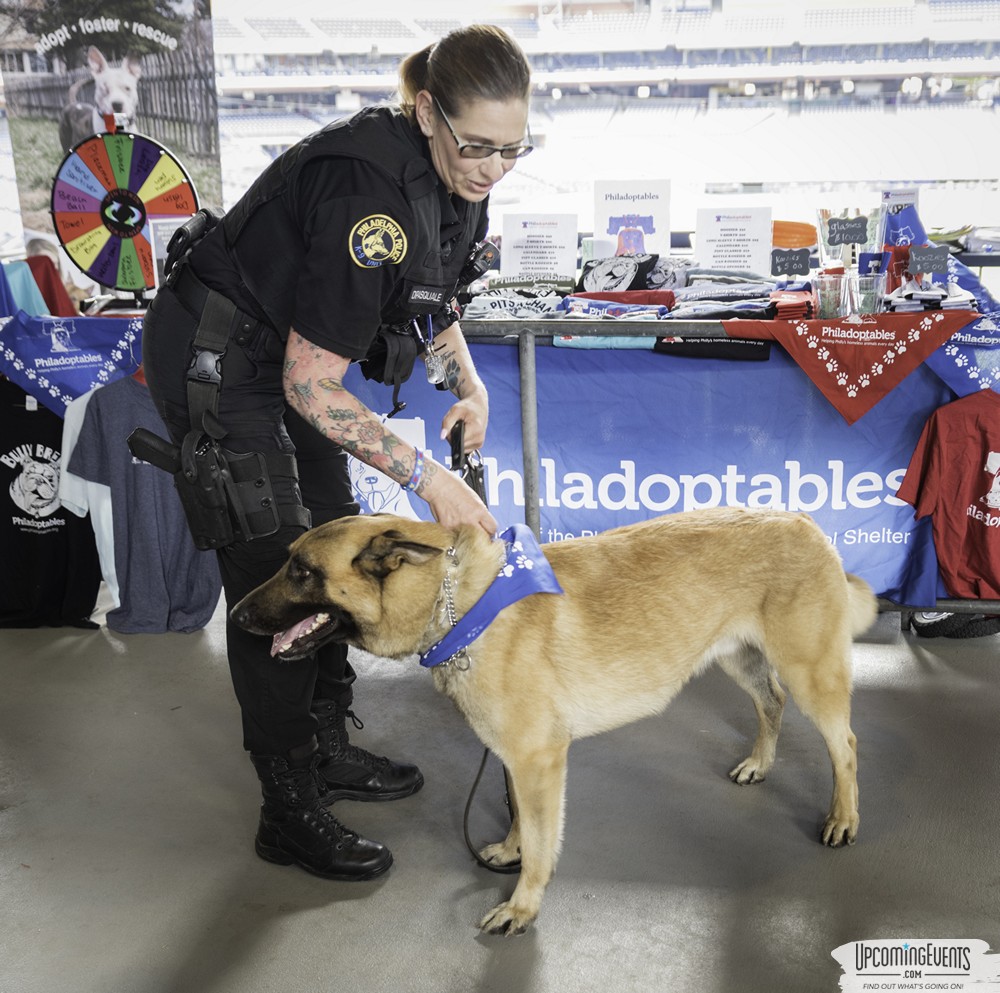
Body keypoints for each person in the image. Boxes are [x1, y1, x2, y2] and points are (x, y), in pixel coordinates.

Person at [141, 24, 533, 882]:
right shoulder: (367, 195)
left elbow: (431, 301)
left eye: (513, 149)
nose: (494, 168)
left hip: (288, 362)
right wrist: (428, 478)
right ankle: (287, 809)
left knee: (333, 539)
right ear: (426, 113)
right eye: (478, 146)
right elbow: (311, 385)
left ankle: (324, 746)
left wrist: (470, 385)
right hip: (219, 360)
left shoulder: (459, 180)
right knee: (280, 574)